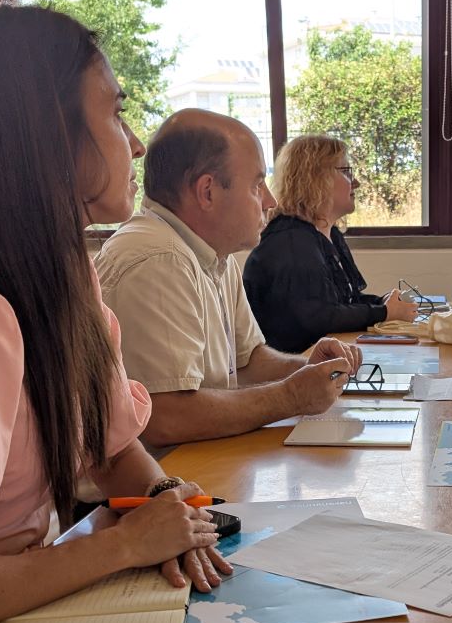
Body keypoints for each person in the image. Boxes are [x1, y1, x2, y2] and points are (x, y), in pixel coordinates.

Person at [0, 4, 231, 623]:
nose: (135, 143)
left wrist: (163, 498)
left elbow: (111, 448)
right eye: (115, 113)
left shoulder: (66, 280)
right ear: (48, 132)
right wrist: (123, 546)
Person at [96, 112, 361, 447]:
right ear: (207, 191)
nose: (271, 201)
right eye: (256, 185)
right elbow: (165, 418)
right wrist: (291, 396)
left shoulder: (214, 254)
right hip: (168, 473)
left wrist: (308, 367)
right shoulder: (158, 259)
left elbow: (247, 362)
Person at [242, 135, 418, 354]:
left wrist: (383, 303)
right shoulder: (291, 243)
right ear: (316, 178)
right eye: (346, 172)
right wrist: (384, 312)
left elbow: (345, 301)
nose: (356, 182)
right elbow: (319, 317)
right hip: (293, 367)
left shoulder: (327, 234)